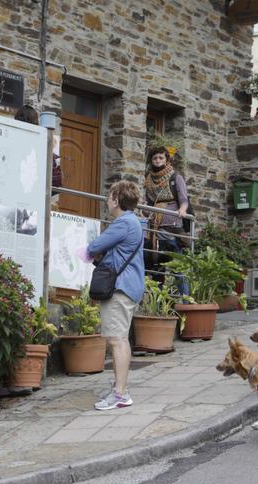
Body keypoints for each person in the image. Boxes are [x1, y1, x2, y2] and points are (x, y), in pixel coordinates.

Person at [86, 180, 145, 410]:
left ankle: (119, 394)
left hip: (120, 288)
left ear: (117, 200)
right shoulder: (133, 222)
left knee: (117, 340)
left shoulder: (123, 223)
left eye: (110, 196)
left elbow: (94, 246)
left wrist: (88, 252)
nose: (107, 200)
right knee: (121, 338)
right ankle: (121, 388)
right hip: (129, 287)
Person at [143, 146, 189, 295]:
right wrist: (145, 209)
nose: (157, 161)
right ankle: (159, 306)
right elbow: (149, 203)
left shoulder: (175, 177)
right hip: (155, 230)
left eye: (161, 158)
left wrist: (182, 210)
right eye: (155, 158)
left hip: (173, 228)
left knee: (178, 269)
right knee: (157, 268)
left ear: (167, 159)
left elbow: (184, 200)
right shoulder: (149, 179)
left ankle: (185, 302)